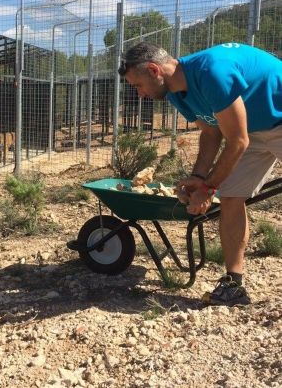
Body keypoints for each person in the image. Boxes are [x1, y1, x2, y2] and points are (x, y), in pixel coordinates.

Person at [118, 41, 282, 306]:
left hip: (274, 120)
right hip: (253, 129)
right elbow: (211, 132)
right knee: (231, 197)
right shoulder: (175, 93)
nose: (140, 94)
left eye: (138, 85)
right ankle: (234, 286)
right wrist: (199, 178)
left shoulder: (210, 73)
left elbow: (237, 141)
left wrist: (208, 188)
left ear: (154, 70)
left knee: (221, 189)